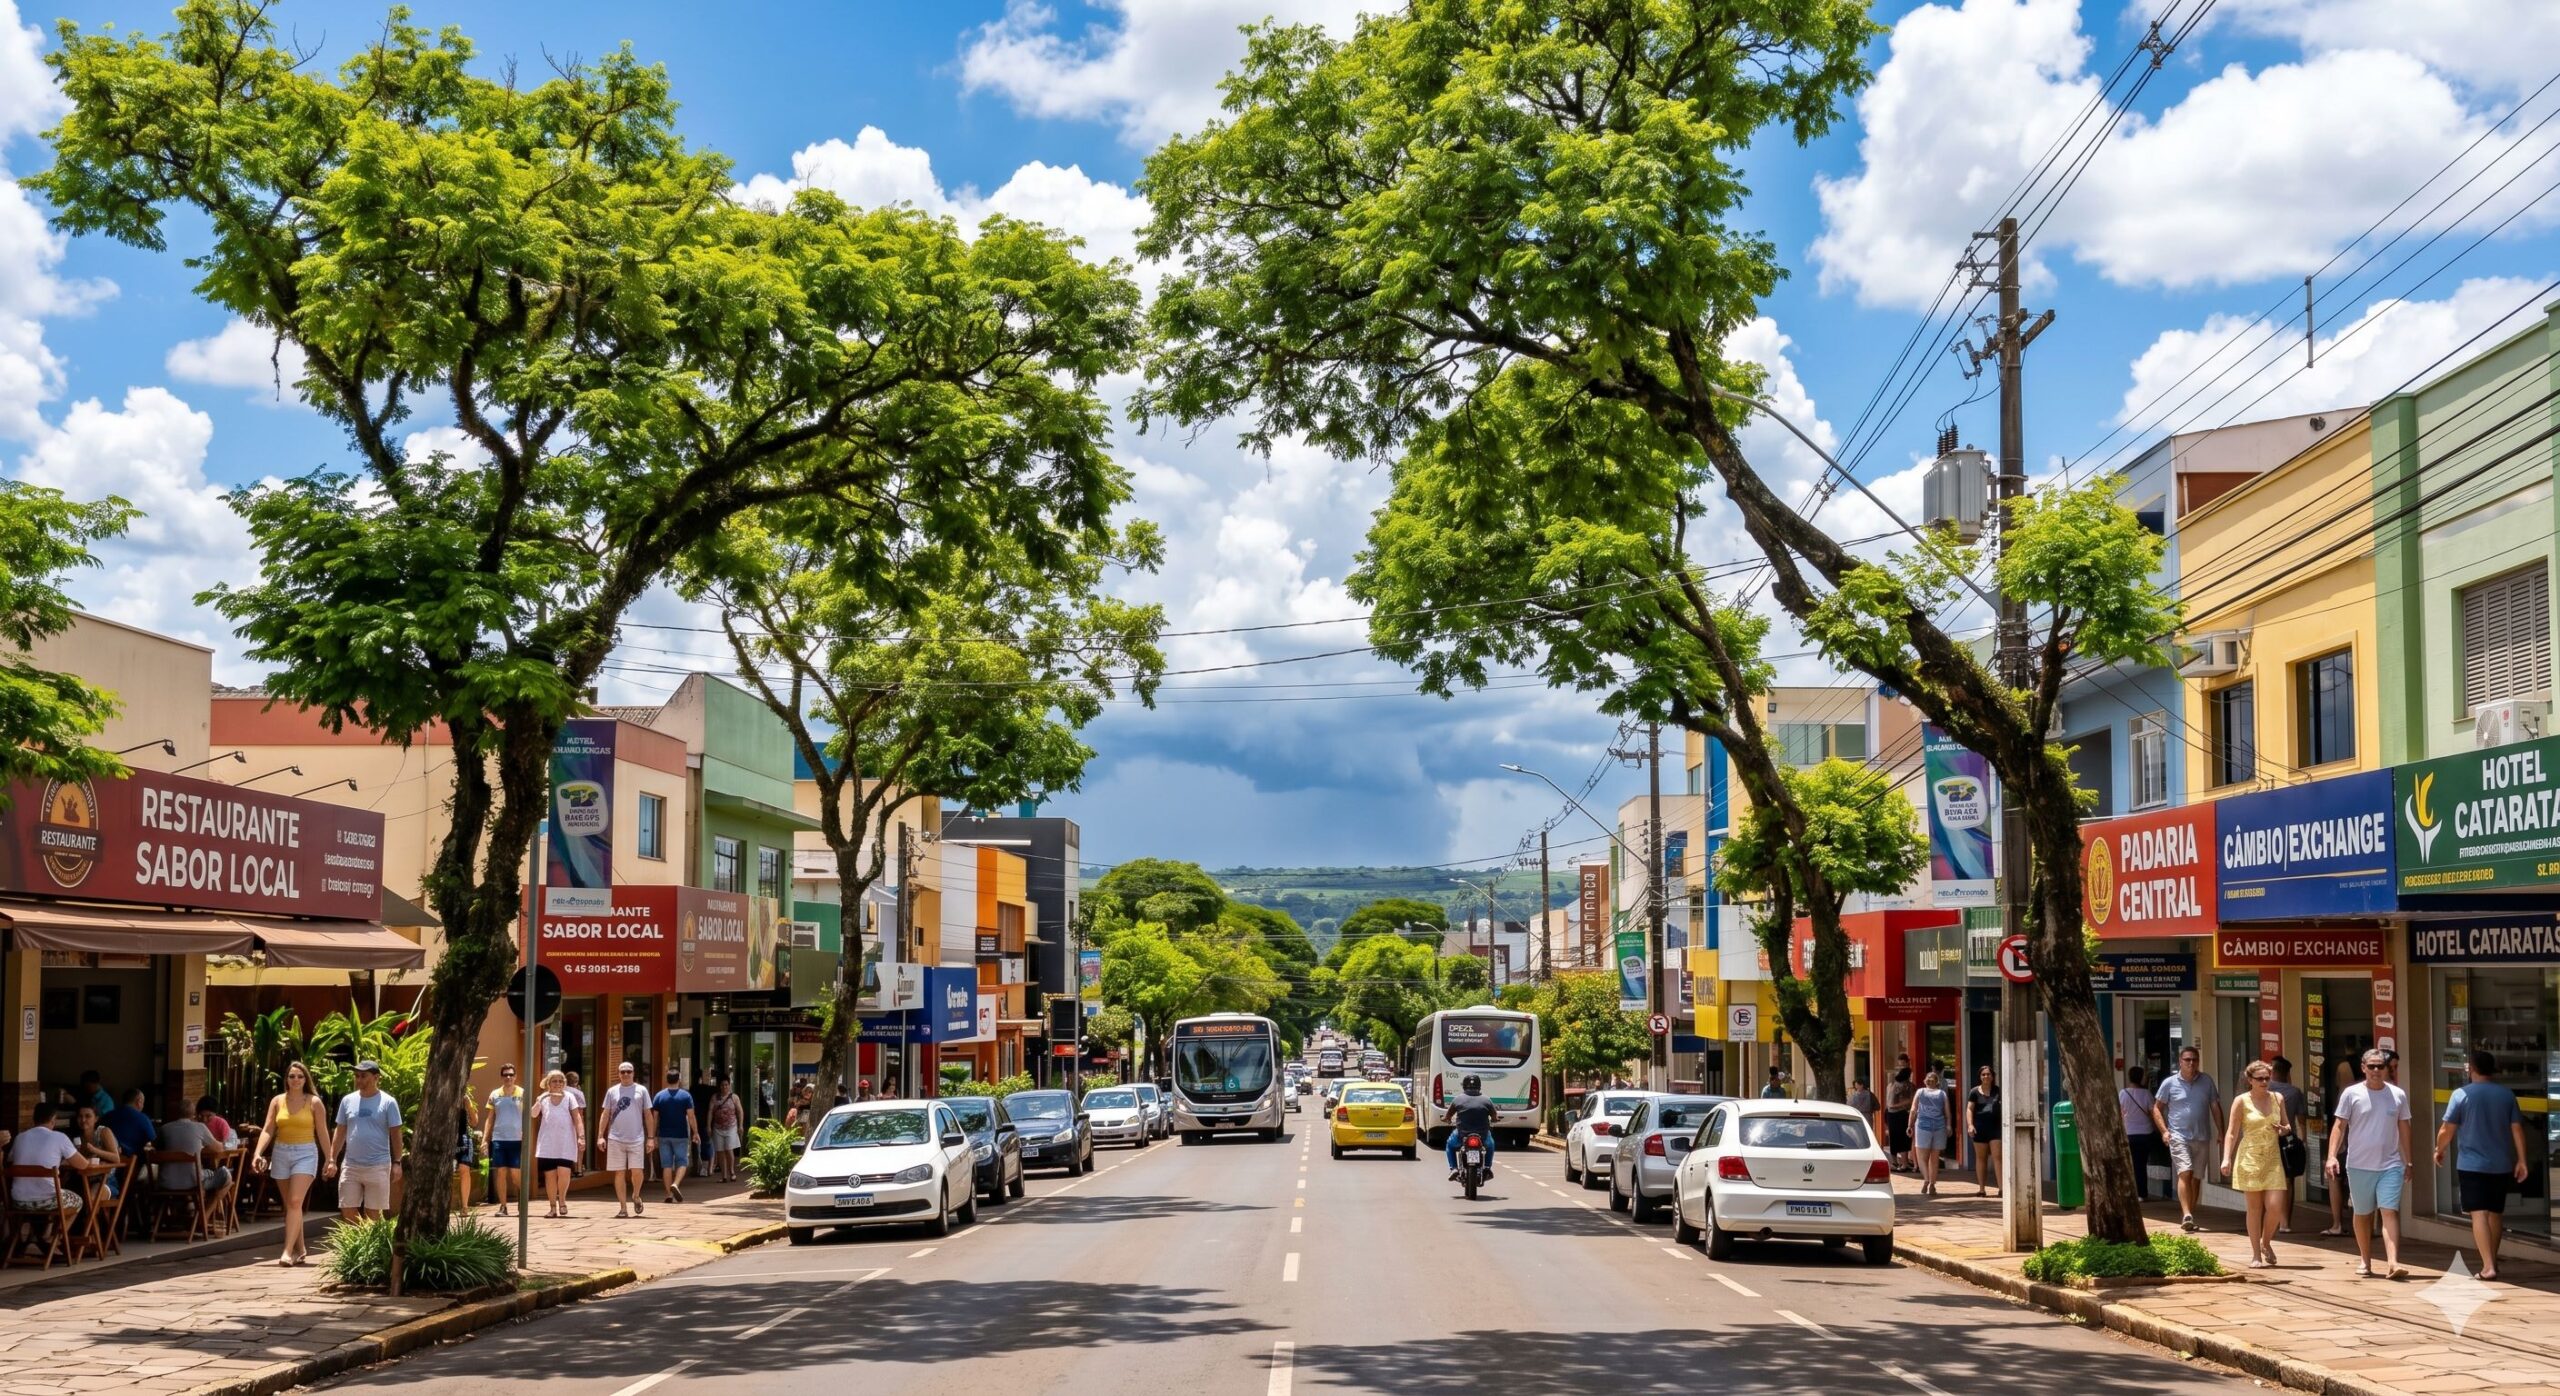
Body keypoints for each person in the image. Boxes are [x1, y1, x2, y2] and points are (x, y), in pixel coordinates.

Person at [2435, 1049, 2529, 1281]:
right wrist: (2522, 1160)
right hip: (2501, 1164)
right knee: (2495, 1214)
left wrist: (2439, 1149)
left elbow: (2447, 1129)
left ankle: (2488, 1267)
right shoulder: (2506, 1095)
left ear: (2472, 1069)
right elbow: (2517, 1129)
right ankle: (2492, 1260)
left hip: (2471, 1165)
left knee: (2479, 1214)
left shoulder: (2461, 1094)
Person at [2327, 1047, 2413, 1280]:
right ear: (2363, 1068)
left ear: (2387, 1069)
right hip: (2359, 1165)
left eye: (2380, 1066)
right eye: (2371, 1066)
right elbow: (2339, 1126)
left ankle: (2393, 1262)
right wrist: (2332, 1155)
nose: (2376, 1070)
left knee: (2389, 1211)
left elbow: (2404, 1127)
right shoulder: (2351, 1094)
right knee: (2363, 1214)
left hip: (2391, 1164)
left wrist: (2409, 1160)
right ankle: (2365, 1259)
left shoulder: (2397, 1095)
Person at [248, 1061, 332, 1266]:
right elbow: (268, 1129)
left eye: (300, 1076)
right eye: (292, 1076)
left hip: (305, 1152)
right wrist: (257, 1153)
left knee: (295, 1201)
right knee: (291, 1206)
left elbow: (322, 1131)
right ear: (286, 1079)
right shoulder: (278, 1101)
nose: (295, 1080)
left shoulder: (314, 1102)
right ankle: (301, 1249)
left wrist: (330, 1159)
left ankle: (287, 1251)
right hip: (281, 1152)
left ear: (306, 1079)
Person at [2219, 1060, 2294, 1269]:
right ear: (2250, 1080)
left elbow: (2287, 1125)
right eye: (2259, 1079)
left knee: (2276, 1207)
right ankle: (2255, 1254)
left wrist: (2284, 1129)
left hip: (2272, 1158)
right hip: (2250, 1157)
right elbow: (2232, 1132)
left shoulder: (2277, 1098)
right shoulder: (2241, 1101)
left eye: (2267, 1078)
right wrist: (2226, 1157)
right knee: (2254, 1208)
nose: (2264, 1082)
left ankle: (2266, 1242)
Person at [2150, 1048, 2221, 1233]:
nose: (2191, 1063)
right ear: (2180, 1061)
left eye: (2194, 1060)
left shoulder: (2207, 1081)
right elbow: (2156, 1108)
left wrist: (2222, 1131)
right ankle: (2186, 1213)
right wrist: (2164, 1131)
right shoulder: (2169, 1083)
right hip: (2178, 1135)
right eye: (2187, 1059)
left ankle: (2191, 1215)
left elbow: (2215, 1106)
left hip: (2202, 1136)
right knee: (2185, 1172)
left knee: (2196, 1178)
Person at [330, 1059, 404, 1223]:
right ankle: (361, 1240)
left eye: (363, 1076)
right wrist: (332, 1159)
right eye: (356, 1076)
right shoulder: (347, 1100)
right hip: (351, 1165)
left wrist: (397, 1162)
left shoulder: (388, 1102)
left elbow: (396, 1134)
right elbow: (340, 1131)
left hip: (378, 1166)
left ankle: (372, 1243)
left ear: (376, 1077)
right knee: (347, 1209)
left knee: (373, 1214)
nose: (359, 1080)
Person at [7, 1103, 85, 1227]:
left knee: (56, 1196)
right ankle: (57, 1238)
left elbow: (11, 1160)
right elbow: (82, 1165)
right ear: (54, 1119)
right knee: (79, 1201)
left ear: (34, 1119)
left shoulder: (20, 1137)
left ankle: (42, 1236)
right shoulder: (59, 1137)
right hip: (48, 1201)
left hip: (18, 1201)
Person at [596, 1062, 652, 1219]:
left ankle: (636, 1195)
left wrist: (651, 1138)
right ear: (618, 1074)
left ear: (633, 1073)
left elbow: (648, 1114)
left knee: (637, 1171)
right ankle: (623, 1207)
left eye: (628, 1071)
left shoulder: (641, 1090)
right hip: (615, 1138)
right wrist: (600, 1136)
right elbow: (605, 1114)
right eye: (622, 1072)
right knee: (619, 1173)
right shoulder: (612, 1091)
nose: (626, 1074)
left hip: (637, 1137)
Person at [156, 1094, 233, 1203]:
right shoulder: (200, 1127)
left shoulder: (164, 1129)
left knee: (201, 1172)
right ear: (194, 1115)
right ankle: (205, 1215)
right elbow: (219, 1149)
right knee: (226, 1175)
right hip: (193, 1183)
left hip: (165, 1182)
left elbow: (157, 1150)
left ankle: (186, 1209)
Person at [530, 1070, 583, 1218]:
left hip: (565, 1142)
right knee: (550, 1176)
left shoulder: (569, 1097)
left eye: (561, 1081)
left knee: (564, 1172)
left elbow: (577, 1117)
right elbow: (533, 1114)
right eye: (554, 1081)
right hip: (547, 1143)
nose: (558, 1084)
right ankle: (552, 1207)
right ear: (548, 1083)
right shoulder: (543, 1098)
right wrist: (540, 1100)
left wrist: (581, 1136)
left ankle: (563, 1201)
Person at [651, 1069, 697, 1204]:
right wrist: (695, 1132)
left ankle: (668, 1194)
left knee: (666, 1165)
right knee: (682, 1162)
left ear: (666, 1079)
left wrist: (652, 1136)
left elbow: (655, 1118)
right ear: (679, 1079)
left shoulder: (659, 1096)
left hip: (664, 1135)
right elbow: (691, 1116)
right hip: (681, 1135)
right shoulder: (686, 1096)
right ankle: (676, 1184)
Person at [485, 1065, 526, 1213]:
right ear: (501, 1077)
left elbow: (528, 1115)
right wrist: (485, 1139)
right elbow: (490, 1118)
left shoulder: (522, 1093)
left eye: (511, 1075)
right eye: (505, 1075)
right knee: (501, 1172)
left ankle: (522, 1200)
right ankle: (503, 1206)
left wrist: (526, 1133)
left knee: (515, 1174)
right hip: (499, 1138)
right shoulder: (495, 1094)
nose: (508, 1077)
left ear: (515, 1076)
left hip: (516, 1139)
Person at [1443, 1074, 1499, 1180]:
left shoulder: (1457, 1099)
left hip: (1461, 1136)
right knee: (1491, 1145)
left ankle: (1454, 1168)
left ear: (1464, 1086)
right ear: (1479, 1086)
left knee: (1450, 1145)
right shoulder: (1487, 1100)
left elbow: (1448, 1116)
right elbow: (1494, 1116)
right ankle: (1487, 1167)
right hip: (1482, 1137)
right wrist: (1495, 1120)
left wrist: (1447, 1119)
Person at [2119, 1066, 2161, 1201]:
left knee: (2130, 1164)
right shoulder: (2147, 1094)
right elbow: (2153, 1113)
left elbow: (2120, 1114)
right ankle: (2142, 1193)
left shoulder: (2123, 1093)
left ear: (2129, 1077)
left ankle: (2130, 1192)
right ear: (2141, 1077)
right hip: (2145, 1134)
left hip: (2129, 1133)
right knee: (2141, 1164)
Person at [1911, 1070, 1952, 1196]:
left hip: (1923, 1125)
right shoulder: (1942, 1094)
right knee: (1934, 1158)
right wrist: (1949, 1125)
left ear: (1925, 1081)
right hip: (1939, 1126)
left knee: (1921, 1157)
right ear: (1937, 1082)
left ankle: (1926, 1179)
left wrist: (1909, 1125)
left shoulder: (1920, 1091)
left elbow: (1913, 1109)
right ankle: (1933, 1184)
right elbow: (1947, 1111)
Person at [69, 1103, 123, 1194]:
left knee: (90, 1196)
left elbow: (116, 1158)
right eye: (80, 1116)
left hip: (106, 1180)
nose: (83, 1120)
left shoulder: (103, 1132)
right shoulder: (77, 1138)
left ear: (96, 1119)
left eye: (88, 1116)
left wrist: (95, 1150)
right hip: (84, 1180)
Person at [1967, 1065, 2001, 1197]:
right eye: (1983, 1074)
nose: (1986, 1077)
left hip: (1995, 1128)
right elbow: (1969, 1109)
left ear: (1992, 1077)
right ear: (1980, 1077)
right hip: (1979, 1127)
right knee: (1981, 1158)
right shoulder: (1974, 1092)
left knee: (1998, 1157)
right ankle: (1981, 1189)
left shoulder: (1998, 1091)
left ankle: (2001, 1188)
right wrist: (1970, 1125)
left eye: (1988, 1074)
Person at [101, 1087, 157, 1160]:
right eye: (143, 1103)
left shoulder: (107, 1116)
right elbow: (154, 1141)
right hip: (131, 1165)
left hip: (108, 1162)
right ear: (139, 1102)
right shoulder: (143, 1118)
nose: (142, 1106)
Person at [706, 1078, 744, 1184]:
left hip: (731, 1127)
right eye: (722, 1085)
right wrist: (708, 1126)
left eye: (726, 1085)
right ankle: (724, 1176)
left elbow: (740, 1111)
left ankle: (732, 1171)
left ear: (729, 1085)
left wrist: (740, 1125)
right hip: (718, 1128)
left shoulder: (734, 1097)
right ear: (719, 1086)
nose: (724, 1087)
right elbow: (710, 1112)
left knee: (729, 1149)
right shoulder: (715, 1098)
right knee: (720, 1151)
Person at [1885, 1066, 1916, 1173]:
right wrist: (1903, 1103)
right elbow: (1911, 1100)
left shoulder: (1892, 1085)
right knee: (1901, 1138)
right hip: (1899, 1113)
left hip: (1892, 1113)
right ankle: (1903, 1163)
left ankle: (1897, 1162)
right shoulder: (1904, 1086)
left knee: (1896, 1137)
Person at [451, 1097, 479, 1211]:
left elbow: (474, 1122)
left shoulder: (465, 1098)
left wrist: (469, 1106)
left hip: (463, 1138)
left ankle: (464, 1206)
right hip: (448, 1138)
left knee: (464, 1169)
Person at [1847, 1078, 1882, 1149]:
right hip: (1863, 1115)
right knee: (1863, 1133)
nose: (1856, 1087)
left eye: (1857, 1085)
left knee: (1862, 1132)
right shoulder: (1869, 1094)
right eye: (1855, 1086)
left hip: (1862, 1115)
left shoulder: (1853, 1096)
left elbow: (1877, 1106)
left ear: (1862, 1085)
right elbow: (1877, 1106)